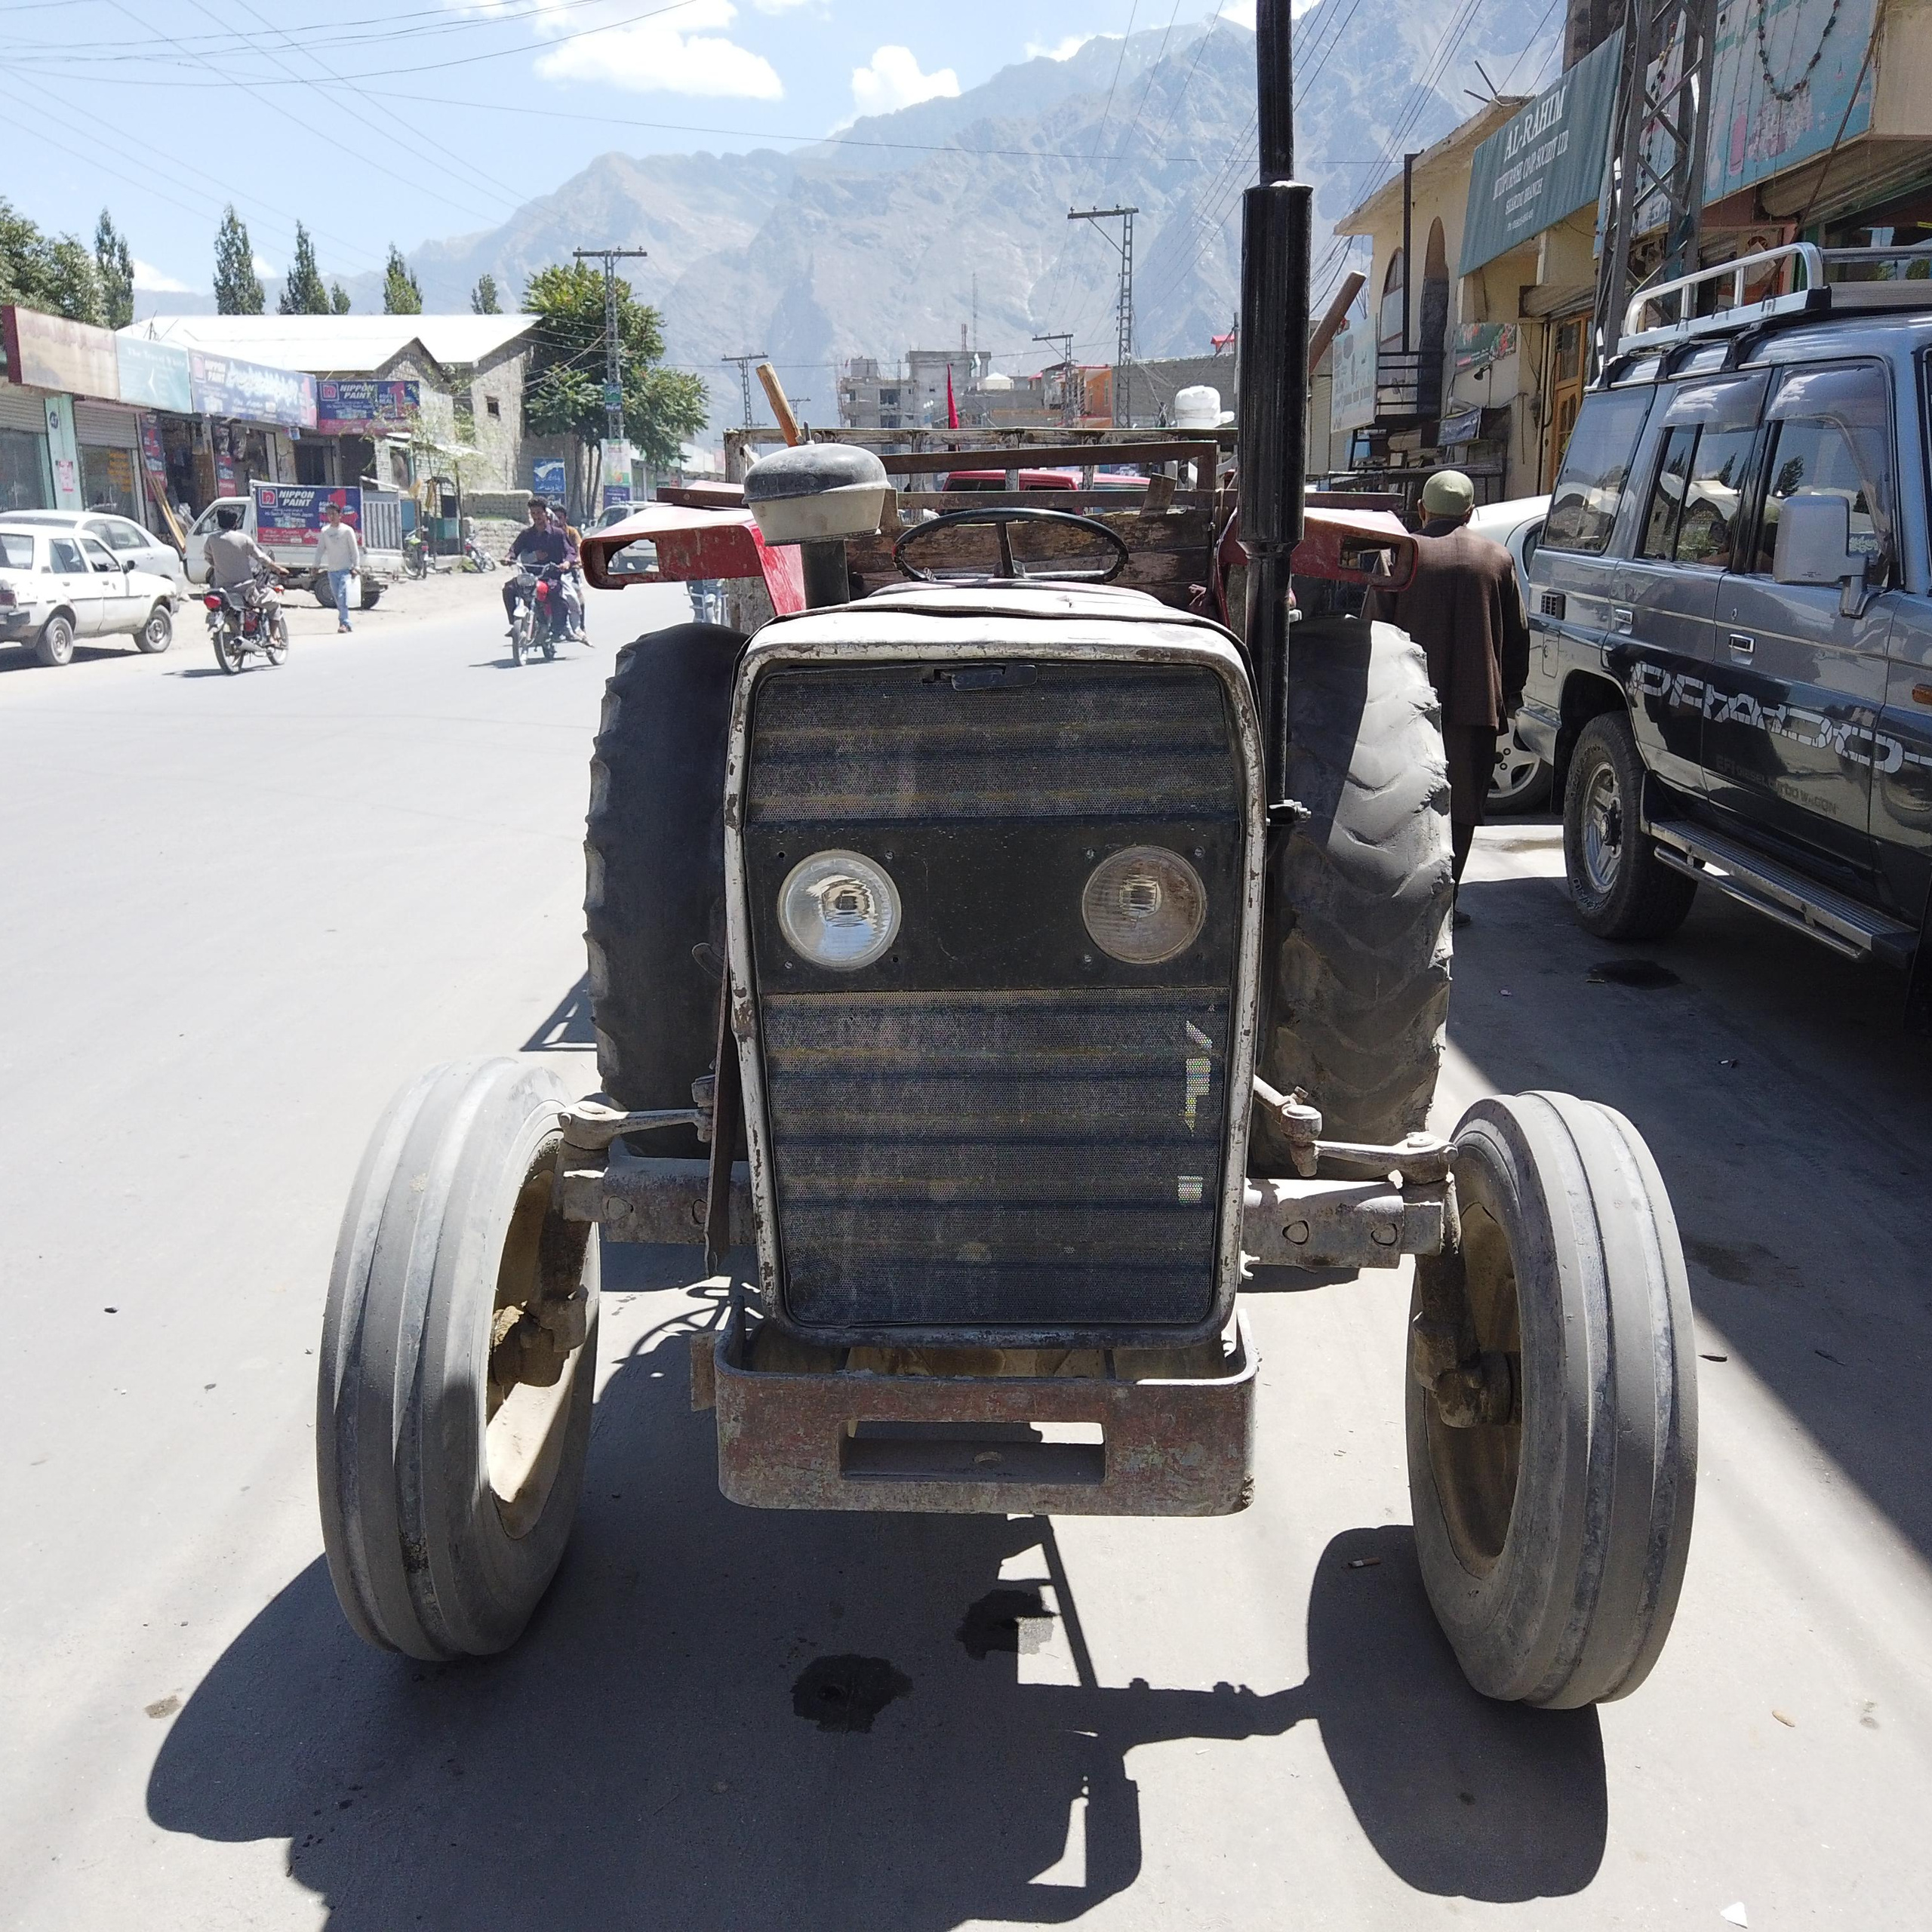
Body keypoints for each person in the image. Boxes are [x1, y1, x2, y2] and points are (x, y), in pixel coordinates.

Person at [1366, 469, 1529, 928]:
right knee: (1461, 807)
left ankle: (1404, 900)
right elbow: (1516, 638)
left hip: (1406, 704)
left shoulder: (1401, 556)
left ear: (1421, 510)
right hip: (1477, 708)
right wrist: (1510, 696)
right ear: (1471, 513)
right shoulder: (1497, 560)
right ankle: (1446, 900)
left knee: (1402, 802)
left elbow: (1375, 630)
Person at [503, 496, 569, 633]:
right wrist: (509, 557)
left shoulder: (558, 534)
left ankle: (558, 629)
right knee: (508, 589)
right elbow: (515, 549)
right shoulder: (526, 534)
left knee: (558, 598)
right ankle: (515, 623)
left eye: (539, 513)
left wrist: (566, 563)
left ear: (546, 513)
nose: (536, 516)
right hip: (529, 577)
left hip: (550, 577)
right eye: (533, 513)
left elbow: (570, 551)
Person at [205, 506, 281, 596]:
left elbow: (209, 558)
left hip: (222, 587)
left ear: (219, 522)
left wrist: (220, 566)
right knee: (273, 600)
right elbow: (261, 557)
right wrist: (277, 568)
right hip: (245, 588)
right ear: (235, 523)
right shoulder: (244, 539)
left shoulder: (212, 539)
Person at [314, 500, 361, 634]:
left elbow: (354, 551)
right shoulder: (325, 532)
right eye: (329, 514)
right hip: (332, 571)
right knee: (337, 598)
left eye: (334, 514)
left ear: (340, 515)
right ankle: (346, 622)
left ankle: (344, 623)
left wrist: (356, 566)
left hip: (346, 570)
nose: (332, 517)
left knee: (343, 596)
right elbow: (320, 550)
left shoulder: (347, 531)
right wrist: (315, 565)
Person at [549, 503, 588, 643]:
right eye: (554, 517)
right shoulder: (549, 533)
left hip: (570, 570)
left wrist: (576, 560)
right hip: (553, 570)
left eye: (560, 517)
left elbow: (578, 548)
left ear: (565, 518)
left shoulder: (572, 532)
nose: (557, 521)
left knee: (578, 597)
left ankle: (580, 627)